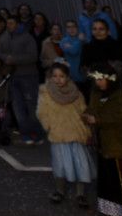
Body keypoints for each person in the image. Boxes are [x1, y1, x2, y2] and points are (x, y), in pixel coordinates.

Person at [83, 62, 122, 216]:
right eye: (97, 79)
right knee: (109, 180)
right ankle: (113, 209)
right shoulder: (95, 93)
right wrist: (87, 117)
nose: (99, 82)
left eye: (102, 79)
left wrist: (98, 120)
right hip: (105, 144)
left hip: (121, 144)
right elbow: (91, 110)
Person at [37, 62, 93, 208]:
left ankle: (80, 194)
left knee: (80, 164)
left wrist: (86, 129)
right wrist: (48, 126)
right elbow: (42, 112)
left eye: (61, 76)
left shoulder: (76, 92)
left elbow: (83, 110)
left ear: (67, 77)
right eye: (54, 76)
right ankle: (59, 190)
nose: (58, 79)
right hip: (59, 134)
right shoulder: (46, 92)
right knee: (60, 164)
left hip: (76, 132)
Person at [0, 16, 44, 145]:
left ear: (17, 24)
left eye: (11, 23)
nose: (8, 25)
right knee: (18, 107)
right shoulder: (4, 37)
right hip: (12, 77)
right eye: (7, 23)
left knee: (31, 105)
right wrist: (5, 57)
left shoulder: (27, 37)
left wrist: (15, 59)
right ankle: (25, 134)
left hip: (28, 76)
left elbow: (33, 56)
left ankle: (38, 133)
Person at [58, 20, 86, 85]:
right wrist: (79, 41)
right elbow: (74, 51)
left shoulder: (83, 39)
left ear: (77, 28)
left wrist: (73, 45)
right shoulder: (63, 41)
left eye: (73, 26)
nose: (71, 29)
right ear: (66, 29)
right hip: (72, 78)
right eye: (69, 27)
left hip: (84, 76)